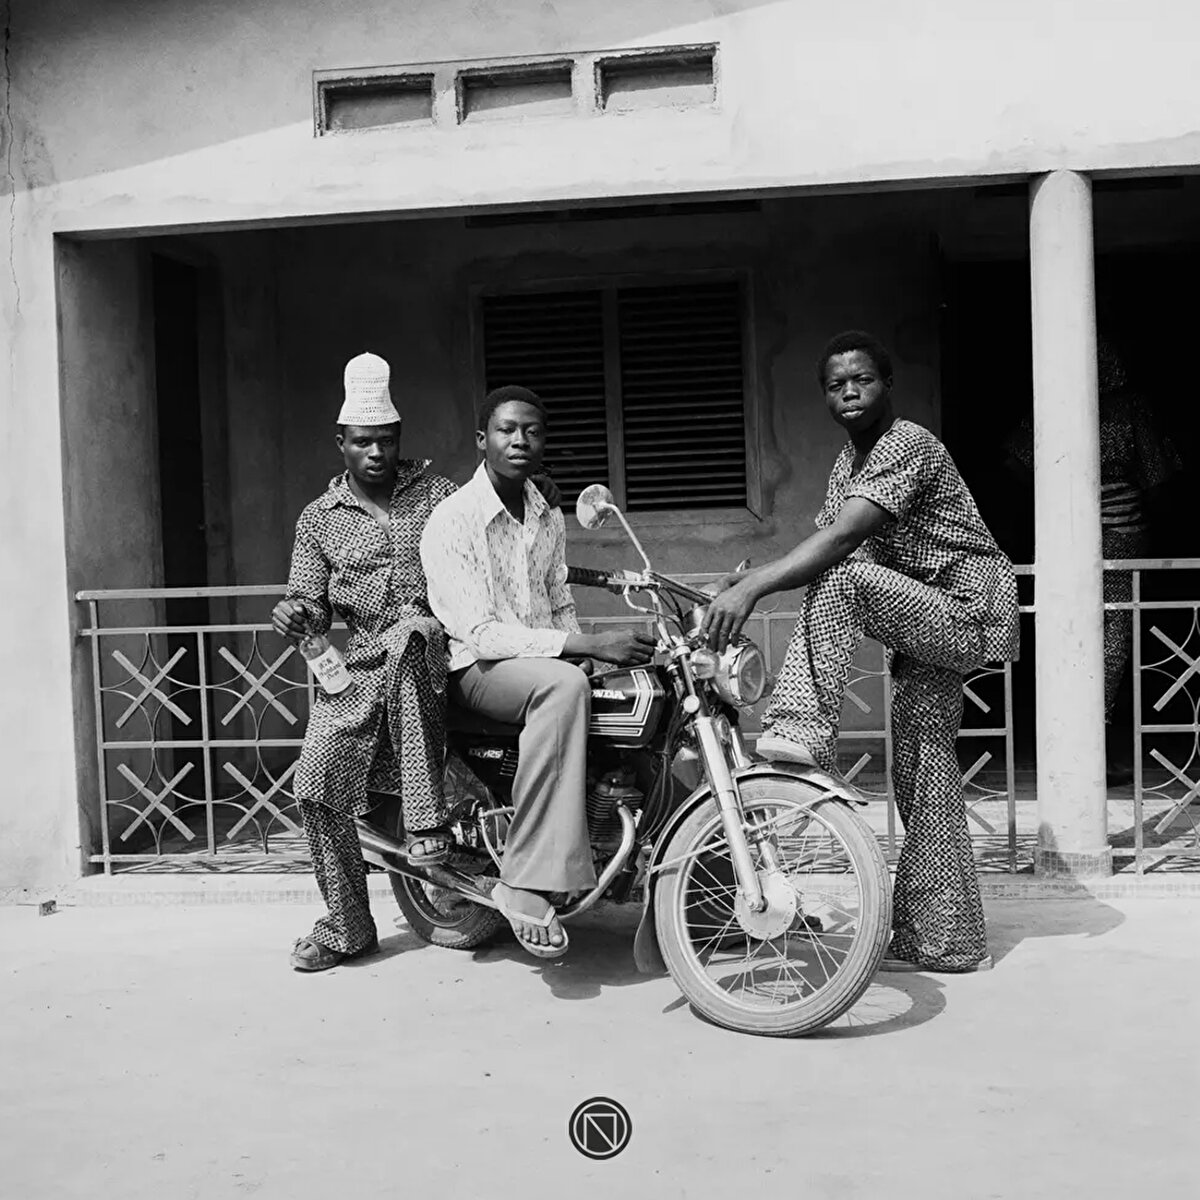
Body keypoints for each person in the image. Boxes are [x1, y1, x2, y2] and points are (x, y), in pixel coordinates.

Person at [701, 331, 1018, 974]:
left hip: (966, 609)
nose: (849, 392)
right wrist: (740, 580)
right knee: (923, 774)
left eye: (863, 380)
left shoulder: (908, 444)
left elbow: (841, 543)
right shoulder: (848, 463)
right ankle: (946, 942)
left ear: (888, 385)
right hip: (925, 618)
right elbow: (818, 543)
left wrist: (754, 589)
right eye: (835, 384)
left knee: (842, 575)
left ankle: (802, 728)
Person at [420, 385, 655, 960]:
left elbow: (558, 599)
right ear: (482, 440)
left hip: (541, 660)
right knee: (563, 684)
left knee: (646, 690)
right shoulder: (453, 519)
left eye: (532, 431)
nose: (520, 440)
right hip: (478, 669)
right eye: (506, 430)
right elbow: (479, 632)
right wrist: (580, 647)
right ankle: (524, 878)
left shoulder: (546, 513)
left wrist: (585, 652)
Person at [273, 352, 460, 972]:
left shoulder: (439, 495)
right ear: (342, 443)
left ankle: (425, 821)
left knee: (412, 633)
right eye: (362, 442)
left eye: (386, 440)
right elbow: (310, 604)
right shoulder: (318, 521)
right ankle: (349, 925)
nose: (376, 453)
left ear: (399, 438)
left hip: (440, 653)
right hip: (361, 670)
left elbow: (487, 524)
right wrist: (295, 614)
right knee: (315, 784)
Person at [1003, 337, 1182, 785]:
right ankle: (1089, 748)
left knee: (1062, 629)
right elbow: (1159, 477)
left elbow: (1015, 466)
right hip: (1120, 532)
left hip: (1062, 530)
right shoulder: (1131, 407)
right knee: (1113, 634)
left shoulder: (1052, 401)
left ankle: (1070, 745)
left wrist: (1062, 491)